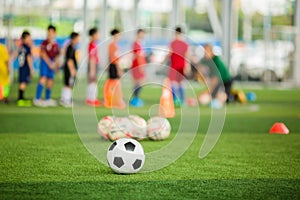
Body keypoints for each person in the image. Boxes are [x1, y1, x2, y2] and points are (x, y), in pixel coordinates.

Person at [34, 25, 60, 107]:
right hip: (45, 62)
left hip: (52, 63)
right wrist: (50, 64)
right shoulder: (44, 43)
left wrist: (55, 66)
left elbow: (56, 56)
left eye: (51, 32)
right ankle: (37, 99)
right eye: (48, 32)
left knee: (50, 81)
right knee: (43, 78)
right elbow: (43, 54)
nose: (49, 34)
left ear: (55, 33)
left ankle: (47, 99)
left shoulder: (56, 45)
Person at [163, 27, 189, 106]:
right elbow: (187, 56)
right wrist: (187, 67)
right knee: (180, 83)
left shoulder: (173, 43)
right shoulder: (185, 44)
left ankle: (175, 99)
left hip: (174, 66)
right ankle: (182, 100)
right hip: (181, 66)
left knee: (172, 83)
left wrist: (163, 61)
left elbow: (169, 53)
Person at [103, 28, 125, 109]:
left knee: (113, 84)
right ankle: (113, 101)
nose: (119, 36)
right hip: (114, 66)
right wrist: (119, 69)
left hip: (114, 66)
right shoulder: (112, 45)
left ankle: (114, 101)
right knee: (114, 84)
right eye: (118, 35)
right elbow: (114, 59)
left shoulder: (115, 45)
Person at [59, 32, 80, 107]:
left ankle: (64, 98)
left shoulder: (71, 47)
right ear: (74, 38)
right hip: (69, 69)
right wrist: (72, 70)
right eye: (78, 38)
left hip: (68, 68)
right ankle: (66, 100)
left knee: (67, 84)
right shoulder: (70, 47)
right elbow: (69, 60)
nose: (79, 39)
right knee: (69, 84)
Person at [129, 29, 147, 107]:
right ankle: (135, 99)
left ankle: (135, 98)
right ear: (138, 34)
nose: (142, 35)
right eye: (141, 34)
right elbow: (138, 56)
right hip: (137, 66)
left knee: (139, 83)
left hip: (139, 66)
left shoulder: (139, 43)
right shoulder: (136, 43)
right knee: (139, 83)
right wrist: (141, 67)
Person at [17, 31, 34, 107]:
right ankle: (20, 99)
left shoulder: (21, 47)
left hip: (21, 67)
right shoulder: (27, 48)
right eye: (29, 38)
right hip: (25, 67)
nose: (30, 39)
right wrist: (31, 69)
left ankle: (21, 98)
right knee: (23, 82)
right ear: (25, 38)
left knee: (22, 82)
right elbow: (28, 58)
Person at [86, 27, 102, 107]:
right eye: (97, 34)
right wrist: (92, 70)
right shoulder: (91, 45)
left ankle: (92, 99)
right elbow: (92, 58)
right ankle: (91, 99)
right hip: (93, 65)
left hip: (94, 65)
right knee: (92, 82)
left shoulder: (93, 44)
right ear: (93, 35)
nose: (98, 35)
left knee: (93, 82)